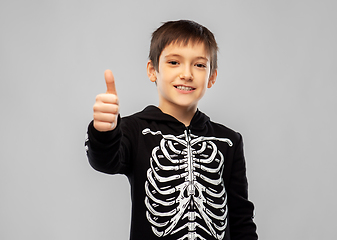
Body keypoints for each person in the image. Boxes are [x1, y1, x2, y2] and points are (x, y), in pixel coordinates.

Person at [85, 20, 258, 240]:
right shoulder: (134, 131)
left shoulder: (228, 140)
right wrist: (104, 131)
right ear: (152, 70)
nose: (186, 74)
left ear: (212, 77)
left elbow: (240, 217)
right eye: (174, 62)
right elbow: (104, 161)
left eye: (199, 65)